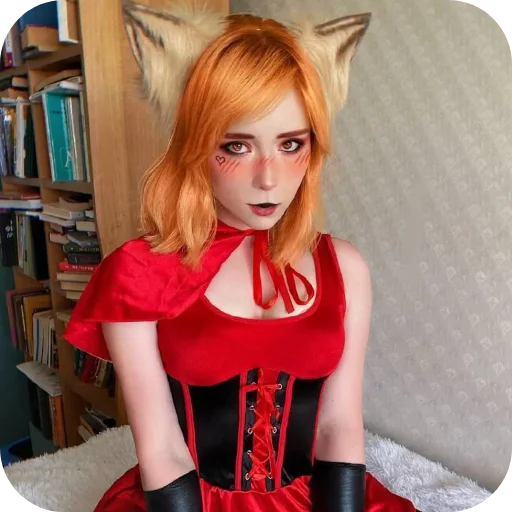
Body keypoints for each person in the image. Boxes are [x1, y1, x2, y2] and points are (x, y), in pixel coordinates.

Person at [63, 1, 420, 511]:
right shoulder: (138, 274)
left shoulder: (345, 267)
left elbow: (339, 425)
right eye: (236, 146)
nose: (269, 178)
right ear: (195, 144)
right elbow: (161, 447)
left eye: (291, 144)